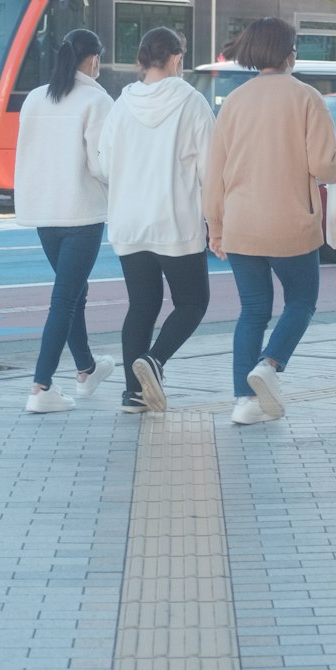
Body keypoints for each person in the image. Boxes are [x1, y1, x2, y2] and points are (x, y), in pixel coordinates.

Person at [203, 17, 336, 425]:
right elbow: (325, 165)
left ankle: (244, 403)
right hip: (291, 225)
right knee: (301, 301)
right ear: (290, 53)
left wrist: (215, 228)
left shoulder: (233, 102)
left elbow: (214, 171)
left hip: (240, 225)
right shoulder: (306, 97)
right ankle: (269, 365)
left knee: (252, 311)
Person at [98, 26, 214, 413]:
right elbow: (210, 169)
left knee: (142, 306)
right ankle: (155, 360)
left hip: (129, 222)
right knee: (193, 302)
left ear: (141, 61)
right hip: (175, 221)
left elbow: (104, 165)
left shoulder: (121, 104)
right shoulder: (192, 102)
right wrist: (216, 219)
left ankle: (133, 393)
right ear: (177, 59)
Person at [14, 28, 115, 414]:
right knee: (65, 298)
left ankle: (87, 369)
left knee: (73, 292)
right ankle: (41, 387)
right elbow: (100, 164)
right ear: (92, 59)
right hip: (82, 212)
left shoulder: (36, 99)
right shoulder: (96, 99)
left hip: (44, 212)